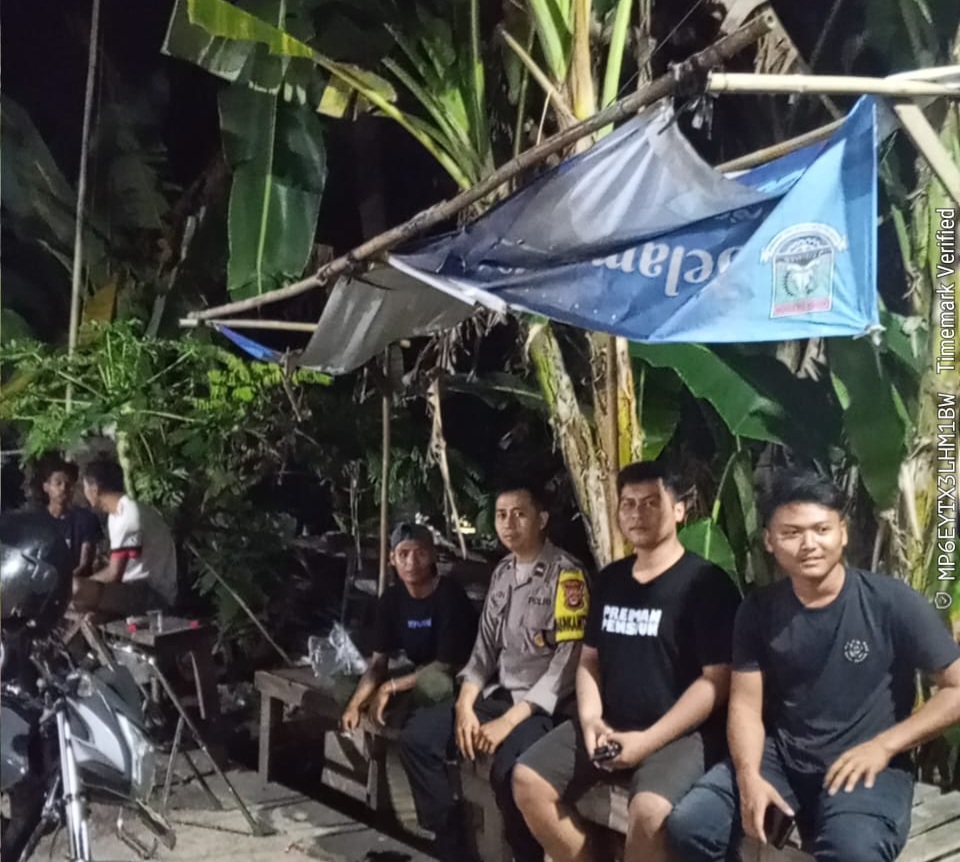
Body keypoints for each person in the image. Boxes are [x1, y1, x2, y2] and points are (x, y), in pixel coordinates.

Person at [666, 470, 960, 862]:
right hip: (783, 758)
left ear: (843, 532)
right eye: (791, 533)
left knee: (852, 853)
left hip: (867, 764)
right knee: (692, 825)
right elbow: (745, 707)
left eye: (822, 529)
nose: (809, 544)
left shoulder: (891, 602)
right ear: (769, 540)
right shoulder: (758, 611)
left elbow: (956, 688)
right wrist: (749, 776)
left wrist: (884, 746)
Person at [513, 461, 742, 862]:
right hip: (612, 722)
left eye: (652, 503)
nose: (638, 514)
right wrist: (591, 721)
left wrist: (646, 742)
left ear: (679, 510)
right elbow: (589, 660)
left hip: (682, 734)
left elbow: (716, 682)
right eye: (628, 504)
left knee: (649, 813)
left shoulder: (707, 584)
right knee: (528, 779)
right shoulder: (611, 580)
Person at [398, 483, 589, 862]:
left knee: (509, 771)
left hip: (544, 710)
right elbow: (484, 649)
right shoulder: (502, 573)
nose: (508, 524)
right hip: (499, 695)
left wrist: (508, 723)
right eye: (501, 515)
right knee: (417, 739)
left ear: (542, 519)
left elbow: (566, 666)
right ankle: (453, 845)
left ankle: (525, 855)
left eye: (519, 514)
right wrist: (465, 706)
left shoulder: (567, 577)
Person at [338, 521, 478, 730]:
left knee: (432, 686)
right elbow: (378, 664)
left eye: (420, 553)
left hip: (454, 675)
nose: (411, 562)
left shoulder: (449, 595)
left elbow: (446, 664)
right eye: (403, 554)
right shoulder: (391, 599)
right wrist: (354, 705)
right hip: (417, 671)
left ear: (432, 556)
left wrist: (389, 687)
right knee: (345, 687)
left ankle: (412, 720)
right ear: (392, 559)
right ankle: (387, 711)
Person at [73, 458, 178, 617]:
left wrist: (86, 584)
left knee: (75, 589)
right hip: (132, 588)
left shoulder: (128, 515)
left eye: (85, 487)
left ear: (95, 490)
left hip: (152, 595)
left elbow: (114, 573)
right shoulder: (116, 514)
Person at [39, 457, 102, 579]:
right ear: (46, 487)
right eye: (58, 483)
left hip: (76, 582)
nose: (63, 488)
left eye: (68, 484)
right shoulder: (37, 521)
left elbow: (84, 564)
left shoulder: (86, 519)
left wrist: (63, 581)